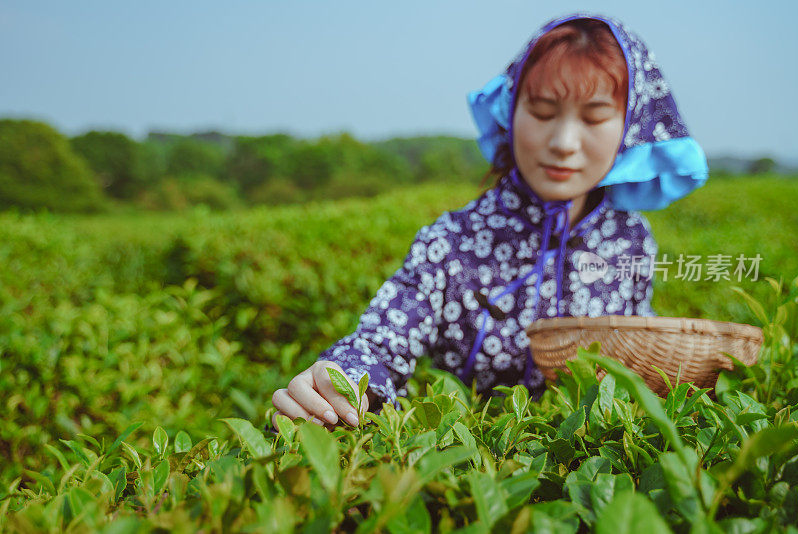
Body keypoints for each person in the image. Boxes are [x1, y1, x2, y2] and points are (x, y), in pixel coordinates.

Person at [268, 12, 708, 432]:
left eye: (593, 117)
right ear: (509, 112)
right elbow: (381, 342)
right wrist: (339, 380)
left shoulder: (631, 241)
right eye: (541, 112)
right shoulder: (452, 243)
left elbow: (634, 348)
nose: (563, 143)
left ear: (630, 126)